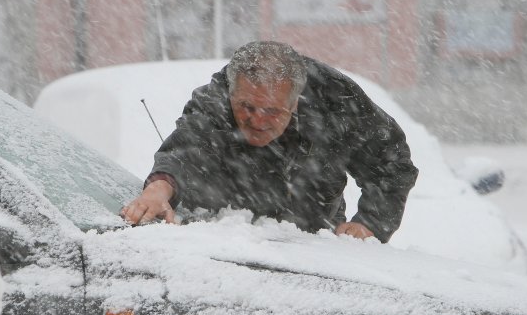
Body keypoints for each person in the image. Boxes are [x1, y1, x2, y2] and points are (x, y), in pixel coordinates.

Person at [121, 41, 418, 243]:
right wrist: (158, 190)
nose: (259, 121)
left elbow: (391, 164)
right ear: (231, 94)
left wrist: (369, 224)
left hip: (312, 246)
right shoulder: (214, 102)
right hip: (224, 242)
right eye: (247, 107)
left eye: (273, 111)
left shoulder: (338, 103)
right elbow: (185, 149)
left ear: (296, 103)